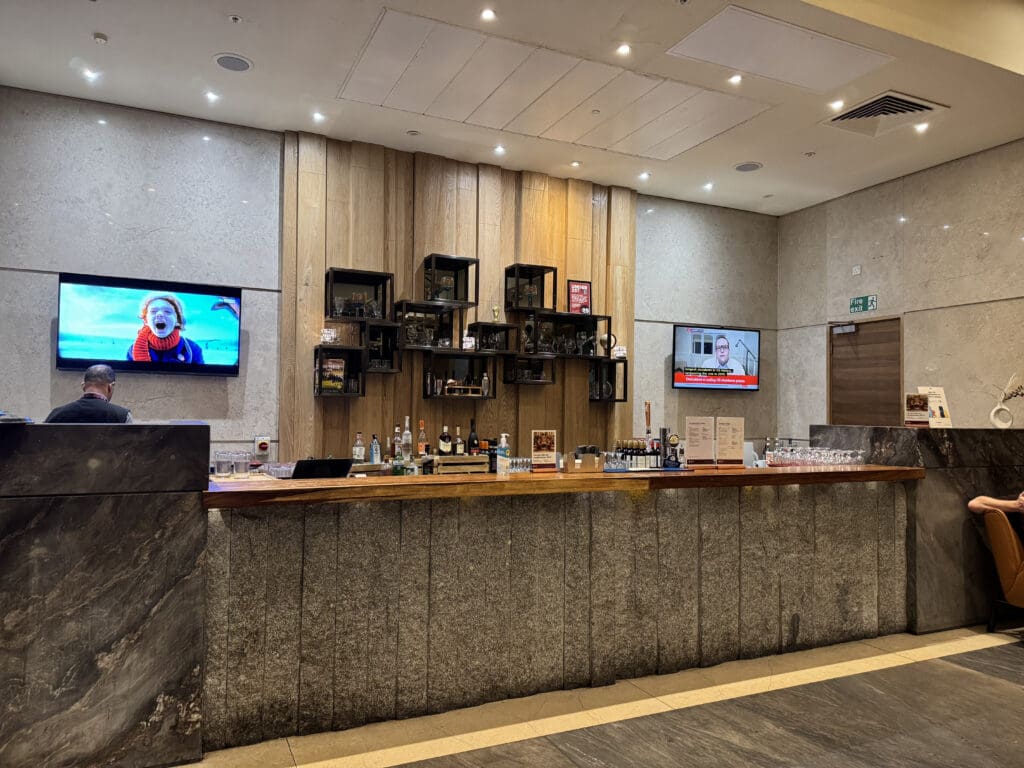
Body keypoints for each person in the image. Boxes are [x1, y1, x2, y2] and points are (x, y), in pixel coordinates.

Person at [128, 292, 204, 363]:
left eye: (167, 311)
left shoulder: (192, 349)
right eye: (153, 311)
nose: (159, 314)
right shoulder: (133, 350)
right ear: (146, 320)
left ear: (177, 320)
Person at [45, 364, 132, 423]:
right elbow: (134, 448)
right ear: (110, 387)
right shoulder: (123, 416)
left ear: (83, 386)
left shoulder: (56, 414)